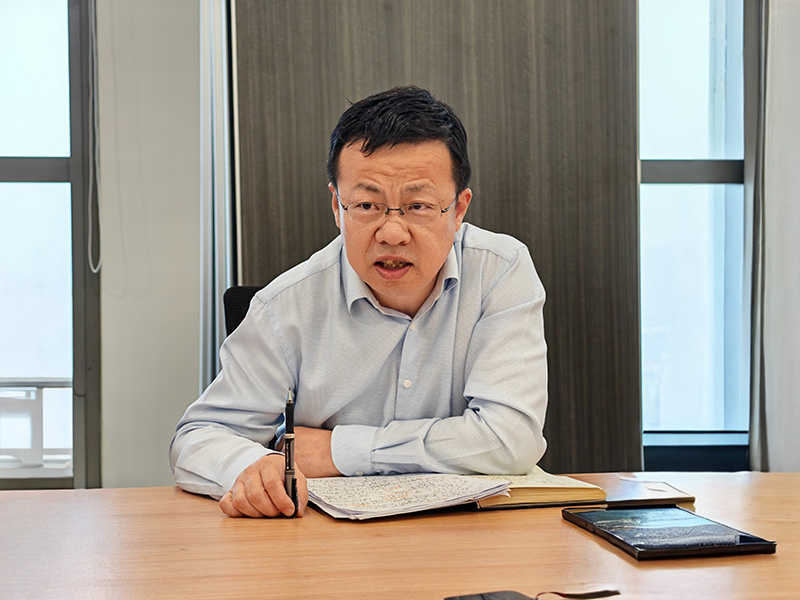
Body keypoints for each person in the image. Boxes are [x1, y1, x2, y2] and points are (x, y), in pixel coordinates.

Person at [170, 86, 548, 518]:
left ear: (459, 209)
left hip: (470, 536)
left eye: (418, 205)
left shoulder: (499, 271)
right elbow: (199, 437)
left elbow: (510, 439)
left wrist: (337, 450)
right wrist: (252, 467)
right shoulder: (285, 306)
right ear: (337, 206)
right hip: (325, 540)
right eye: (367, 204)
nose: (392, 233)